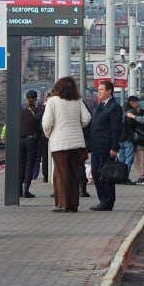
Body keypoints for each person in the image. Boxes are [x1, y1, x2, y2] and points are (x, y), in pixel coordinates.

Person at [41, 76, 91, 213]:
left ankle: (63, 204)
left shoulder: (52, 101)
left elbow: (46, 123)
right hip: (77, 142)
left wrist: (49, 134)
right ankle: (73, 204)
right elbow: (87, 118)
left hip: (60, 142)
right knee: (73, 173)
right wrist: (78, 126)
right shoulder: (78, 101)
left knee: (61, 173)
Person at [87, 80, 124, 211]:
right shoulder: (99, 106)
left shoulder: (114, 107)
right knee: (96, 173)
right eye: (98, 90)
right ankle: (102, 199)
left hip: (106, 147)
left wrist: (114, 147)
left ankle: (107, 201)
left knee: (106, 174)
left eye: (102, 90)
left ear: (109, 91)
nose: (99, 92)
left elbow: (116, 129)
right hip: (96, 146)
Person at [17, 90, 41, 198]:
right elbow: (40, 126)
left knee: (21, 165)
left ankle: (18, 190)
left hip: (20, 140)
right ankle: (26, 189)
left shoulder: (21, 110)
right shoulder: (37, 110)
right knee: (29, 165)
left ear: (26, 98)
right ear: (36, 98)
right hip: (31, 140)